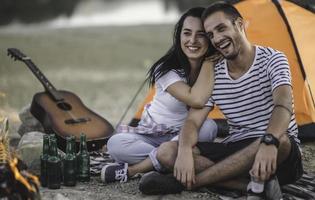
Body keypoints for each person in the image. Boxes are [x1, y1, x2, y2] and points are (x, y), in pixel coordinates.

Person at [139, 2, 303, 199]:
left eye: (221, 28)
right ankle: (251, 185)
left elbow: (282, 105)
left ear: (240, 24)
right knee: (166, 152)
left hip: (277, 150)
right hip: (237, 146)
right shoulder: (215, 72)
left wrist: (269, 141)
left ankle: (189, 182)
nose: (217, 39)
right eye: (210, 34)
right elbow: (192, 121)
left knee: (282, 141)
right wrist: (183, 149)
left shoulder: (273, 59)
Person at [101, 7, 219, 184]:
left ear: (210, 38)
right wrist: (210, 60)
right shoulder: (166, 70)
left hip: (184, 137)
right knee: (115, 144)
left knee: (209, 127)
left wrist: (209, 64)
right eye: (187, 33)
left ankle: (136, 170)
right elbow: (196, 98)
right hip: (151, 135)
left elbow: (201, 103)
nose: (192, 40)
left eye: (201, 34)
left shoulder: (214, 72)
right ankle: (170, 161)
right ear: (179, 36)